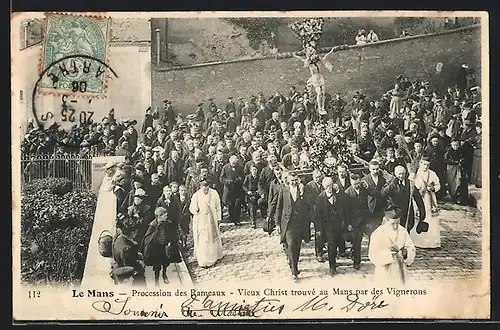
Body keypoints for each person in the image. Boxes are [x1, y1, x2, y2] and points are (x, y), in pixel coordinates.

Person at [274, 173, 309, 280]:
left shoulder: (302, 190)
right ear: (288, 181)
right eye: (292, 180)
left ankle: (294, 264)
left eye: (295, 180)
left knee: (297, 245)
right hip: (288, 223)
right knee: (292, 244)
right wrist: (277, 224)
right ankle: (294, 271)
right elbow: (279, 208)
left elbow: (308, 205)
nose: (294, 182)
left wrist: (303, 194)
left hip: (300, 223)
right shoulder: (283, 191)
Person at [368, 207, 416, 285]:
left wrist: (407, 253)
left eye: (398, 223)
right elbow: (373, 253)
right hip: (384, 270)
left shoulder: (403, 231)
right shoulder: (378, 233)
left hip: (400, 269)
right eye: (393, 224)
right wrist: (388, 254)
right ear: (386, 220)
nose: (396, 226)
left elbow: (411, 247)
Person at [344, 173, 381, 270]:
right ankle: (357, 261)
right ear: (351, 183)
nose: (356, 186)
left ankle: (373, 256)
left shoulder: (364, 189)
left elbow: (377, 194)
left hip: (365, 219)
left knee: (372, 238)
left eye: (357, 183)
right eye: (354, 184)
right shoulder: (347, 193)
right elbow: (346, 211)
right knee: (357, 241)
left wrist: (368, 187)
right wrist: (349, 224)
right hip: (354, 221)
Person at [142, 207, 182, 286]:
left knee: (165, 263)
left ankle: (164, 274)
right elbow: (147, 237)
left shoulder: (168, 223)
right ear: (159, 216)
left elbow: (171, 234)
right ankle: (156, 280)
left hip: (165, 247)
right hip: (156, 249)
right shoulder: (153, 225)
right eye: (165, 216)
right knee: (157, 265)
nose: (166, 217)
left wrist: (171, 242)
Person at [382, 166, 427, 234]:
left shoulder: (410, 184)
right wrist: (393, 184)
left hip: (407, 214)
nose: (401, 176)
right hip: (395, 213)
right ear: (395, 174)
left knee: (406, 233)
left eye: (403, 174)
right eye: (399, 174)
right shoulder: (391, 183)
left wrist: (422, 215)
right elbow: (383, 194)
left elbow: (418, 199)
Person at [189, 179, 223, 268]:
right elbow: (191, 208)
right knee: (203, 239)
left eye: (207, 186)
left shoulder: (214, 193)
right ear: (200, 187)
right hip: (201, 220)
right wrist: (195, 210)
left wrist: (219, 218)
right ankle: (203, 260)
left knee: (212, 238)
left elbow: (218, 206)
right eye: (204, 187)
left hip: (212, 219)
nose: (206, 188)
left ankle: (213, 257)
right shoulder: (196, 195)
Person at [315, 177, 345, 276]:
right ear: (323, 187)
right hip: (327, 226)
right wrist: (319, 229)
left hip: (338, 224)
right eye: (327, 186)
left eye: (330, 185)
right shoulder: (320, 198)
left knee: (337, 243)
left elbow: (344, 201)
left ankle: (335, 260)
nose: (329, 188)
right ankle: (332, 266)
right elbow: (318, 215)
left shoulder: (338, 195)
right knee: (331, 245)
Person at [410, 157, 441, 249]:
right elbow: (410, 185)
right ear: (420, 163)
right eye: (424, 164)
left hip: (429, 199)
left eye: (428, 165)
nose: (426, 166)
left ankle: (431, 242)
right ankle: (417, 241)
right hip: (418, 199)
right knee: (418, 217)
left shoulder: (432, 174)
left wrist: (433, 188)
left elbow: (438, 185)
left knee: (430, 218)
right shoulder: (415, 173)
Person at [111, 216, 146, 286]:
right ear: (133, 232)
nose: (137, 233)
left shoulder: (117, 237)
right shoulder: (128, 249)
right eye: (136, 231)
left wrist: (136, 254)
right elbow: (129, 267)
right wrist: (140, 263)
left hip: (118, 268)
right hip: (127, 277)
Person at [220, 155, 245, 225]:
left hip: (237, 189)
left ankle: (237, 219)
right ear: (230, 162)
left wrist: (239, 179)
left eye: (235, 163)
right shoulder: (225, 167)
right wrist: (227, 181)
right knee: (230, 204)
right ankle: (231, 217)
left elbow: (243, 176)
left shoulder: (239, 168)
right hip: (229, 189)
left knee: (237, 204)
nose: (234, 164)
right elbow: (221, 178)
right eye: (233, 163)